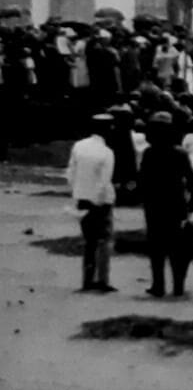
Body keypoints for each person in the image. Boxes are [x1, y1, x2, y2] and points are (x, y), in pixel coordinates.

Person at [137, 112, 193, 298]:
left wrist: (139, 194)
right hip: (176, 204)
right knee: (177, 247)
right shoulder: (179, 153)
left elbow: (142, 179)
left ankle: (158, 285)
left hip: (154, 205)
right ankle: (178, 286)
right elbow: (191, 179)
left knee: (156, 247)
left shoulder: (149, 153)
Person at [66, 114, 117, 292]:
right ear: (107, 129)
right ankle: (102, 280)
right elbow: (104, 181)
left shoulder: (79, 146)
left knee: (89, 241)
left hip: (82, 198)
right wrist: (101, 200)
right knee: (104, 240)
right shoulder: (107, 152)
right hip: (101, 202)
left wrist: (77, 193)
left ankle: (87, 280)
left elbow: (71, 172)